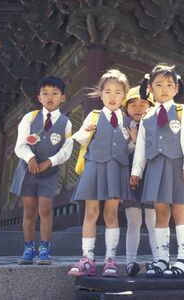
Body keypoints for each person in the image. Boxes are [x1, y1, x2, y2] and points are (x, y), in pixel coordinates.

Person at [130, 64, 184, 278]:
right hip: (155, 168)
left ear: (176, 88)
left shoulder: (182, 111)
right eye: (159, 84)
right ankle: (161, 259)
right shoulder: (147, 116)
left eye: (170, 85)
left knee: (179, 211)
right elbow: (141, 147)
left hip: (177, 165)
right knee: (161, 212)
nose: (164, 89)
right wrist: (136, 171)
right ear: (150, 88)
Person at [68, 69, 133, 277]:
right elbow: (79, 138)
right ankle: (87, 258)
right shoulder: (93, 116)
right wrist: (87, 131)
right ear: (100, 93)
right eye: (107, 92)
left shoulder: (128, 121)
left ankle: (110, 259)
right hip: (94, 166)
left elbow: (130, 149)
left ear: (124, 95)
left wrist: (132, 138)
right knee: (91, 212)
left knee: (111, 213)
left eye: (117, 92)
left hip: (117, 167)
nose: (112, 97)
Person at [10, 76, 73, 265]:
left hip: (49, 172)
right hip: (27, 170)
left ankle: (45, 248)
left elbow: (66, 151)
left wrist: (49, 162)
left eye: (55, 93)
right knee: (29, 210)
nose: (50, 97)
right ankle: (28, 248)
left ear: (63, 97)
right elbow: (20, 145)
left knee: (45, 209)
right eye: (45, 93)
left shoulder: (66, 123)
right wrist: (30, 158)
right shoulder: (29, 118)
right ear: (39, 97)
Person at [122, 86, 157, 276]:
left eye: (143, 104)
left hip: (150, 177)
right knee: (133, 221)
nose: (137, 108)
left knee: (153, 221)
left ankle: (157, 260)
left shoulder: (154, 125)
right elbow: (120, 152)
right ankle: (130, 261)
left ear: (150, 106)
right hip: (131, 179)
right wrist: (133, 142)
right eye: (133, 104)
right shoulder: (123, 126)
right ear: (126, 108)